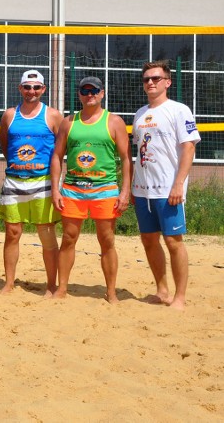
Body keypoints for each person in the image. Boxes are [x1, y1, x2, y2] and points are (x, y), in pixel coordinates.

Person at [51, 76, 131, 304]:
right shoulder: (69, 122)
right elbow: (56, 156)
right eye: (85, 90)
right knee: (68, 238)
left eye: (94, 90)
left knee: (106, 240)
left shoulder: (114, 122)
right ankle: (62, 288)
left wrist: (124, 192)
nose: (90, 94)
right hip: (73, 189)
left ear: (102, 93)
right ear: (79, 94)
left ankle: (111, 292)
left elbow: (126, 159)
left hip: (104, 189)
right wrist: (56, 190)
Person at [132, 61, 200, 310]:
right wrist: (132, 187)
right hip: (143, 190)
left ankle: (179, 297)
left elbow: (188, 148)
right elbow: (140, 153)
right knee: (149, 240)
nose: (150, 82)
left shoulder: (179, 110)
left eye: (156, 78)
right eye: (146, 79)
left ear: (167, 82)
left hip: (168, 189)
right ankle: (162, 291)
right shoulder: (140, 114)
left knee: (173, 242)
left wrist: (178, 184)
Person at [0, 70, 63, 296]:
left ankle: (51, 284)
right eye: (27, 87)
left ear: (43, 89)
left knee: (46, 233)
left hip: (42, 181)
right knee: (12, 233)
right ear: (20, 88)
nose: (31, 91)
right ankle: (9, 283)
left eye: (36, 87)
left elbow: (60, 152)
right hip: (15, 181)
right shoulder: (9, 115)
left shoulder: (53, 115)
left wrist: (56, 186)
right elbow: (5, 146)